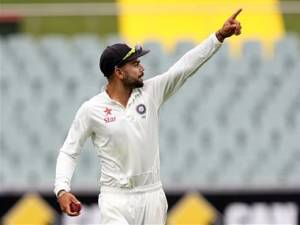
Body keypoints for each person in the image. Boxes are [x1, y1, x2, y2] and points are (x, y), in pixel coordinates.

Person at [54, 8, 242, 224]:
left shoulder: (151, 92)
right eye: (135, 64)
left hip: (152, 196)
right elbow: (69, 151)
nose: (142, 68)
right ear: (118, 72)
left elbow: (184, 68)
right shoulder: (92, 109)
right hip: (115, 198)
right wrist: (62, 190)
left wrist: (218, 37)